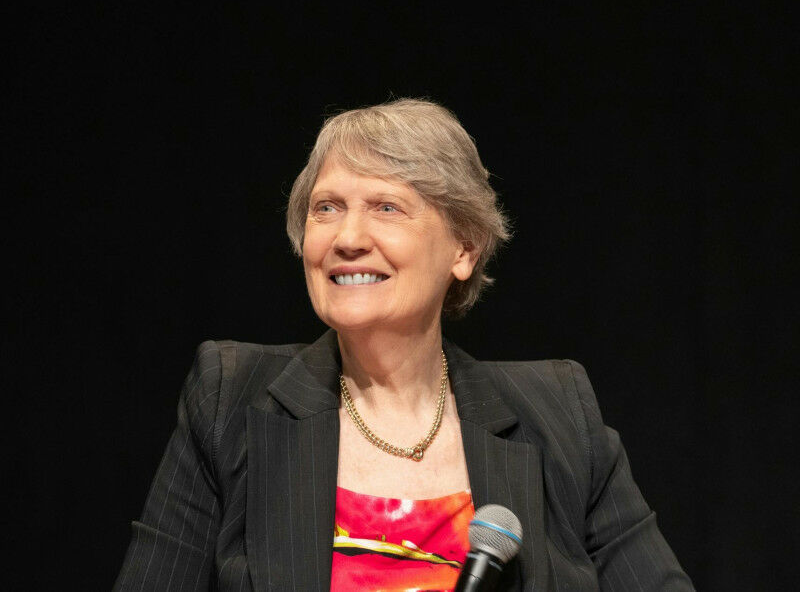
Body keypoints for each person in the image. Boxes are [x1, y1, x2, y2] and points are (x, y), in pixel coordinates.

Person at [114, 98, 694, 591]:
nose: (348, 238)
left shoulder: (559, 412)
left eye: (386, 207)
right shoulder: (230, 398)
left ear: (464, 248)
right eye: (326, 208)